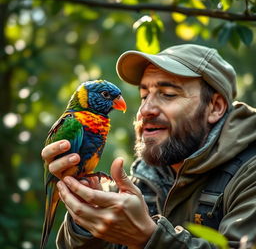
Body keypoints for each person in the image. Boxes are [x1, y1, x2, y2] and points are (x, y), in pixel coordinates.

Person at [41, 44, 256, 249]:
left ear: (215, 107)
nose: (145, 109)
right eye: (144, 95)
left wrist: (148, 238)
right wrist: (87, 220)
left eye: (168, 95)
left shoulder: (249, 174)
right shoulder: (143, 180)